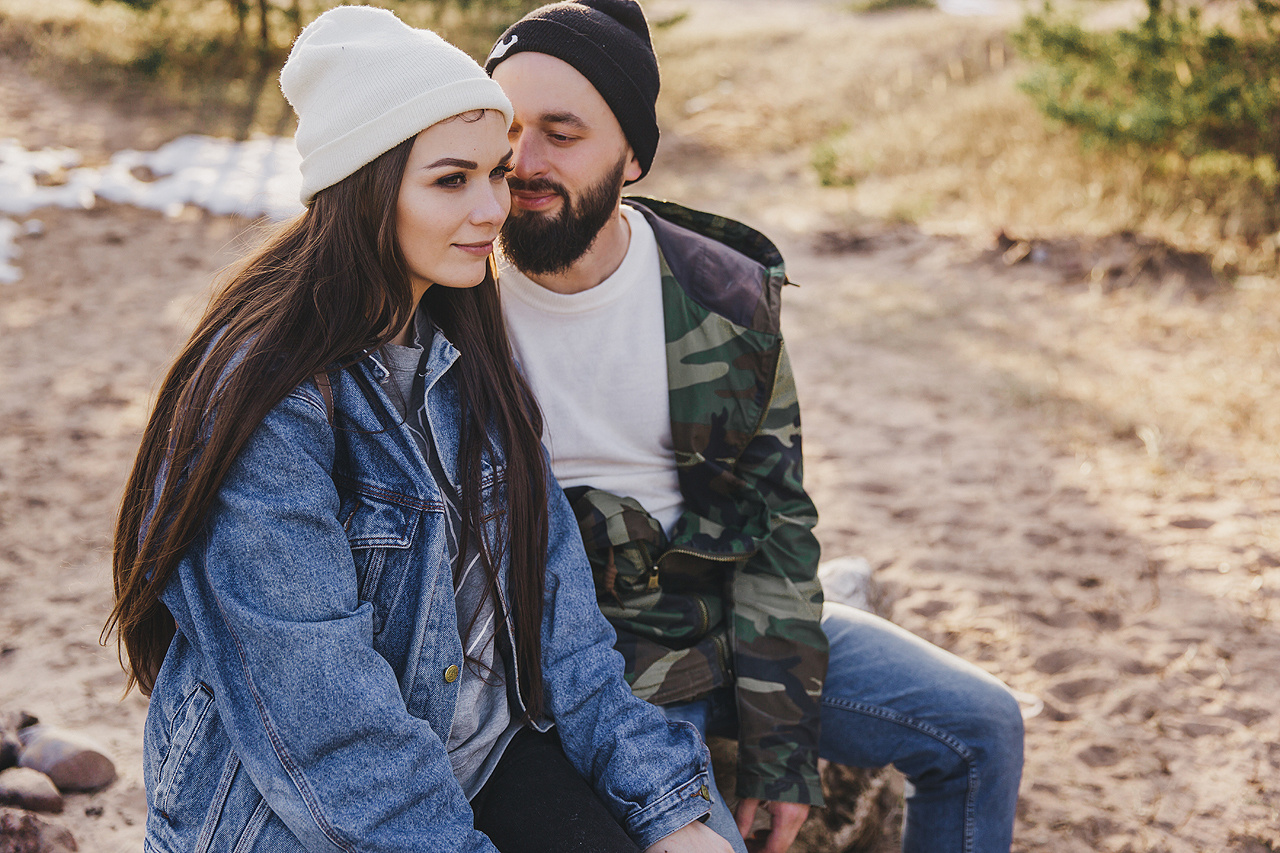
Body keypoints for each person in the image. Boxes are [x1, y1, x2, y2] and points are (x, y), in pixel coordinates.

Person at [104, 7, 732, 853]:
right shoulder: (266, 398)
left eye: (498, 173)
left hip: (476, 753)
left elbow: (570, 643)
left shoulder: (469, 354)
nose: (491, 208)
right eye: (450, 180)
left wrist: (671, 813)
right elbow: (331, 727)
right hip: (292, 815)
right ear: (367, 186)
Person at [483, 2, 1026, 852]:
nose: (523, 161)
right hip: (595, 671)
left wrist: (781, 743)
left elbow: (775, 517)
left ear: (631, 154)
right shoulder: (447, 306)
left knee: (982, 725)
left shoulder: (720, 291)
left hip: (724, 623)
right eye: (505, 126)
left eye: (562, 132)